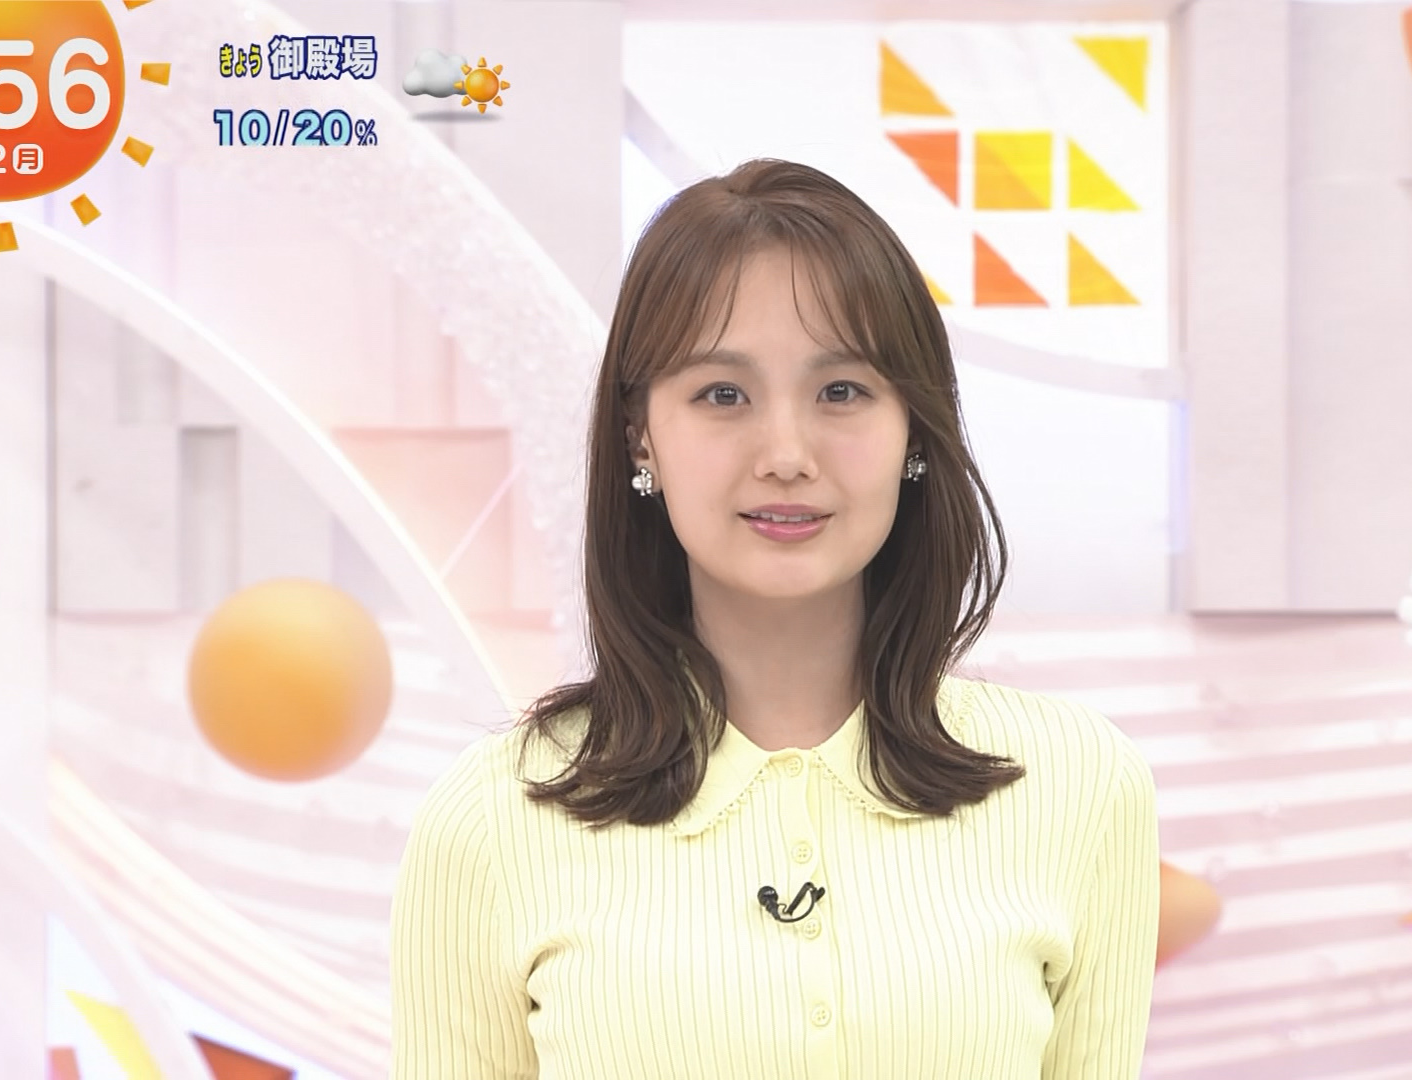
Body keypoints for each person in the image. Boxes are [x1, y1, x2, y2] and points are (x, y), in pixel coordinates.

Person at [389, 158, 1160, 1079]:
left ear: (914, 429)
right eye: (723, 394)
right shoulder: (492, 816)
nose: (786, 454)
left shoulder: (1078, 783)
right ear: (641, 435)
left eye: (842, 392)